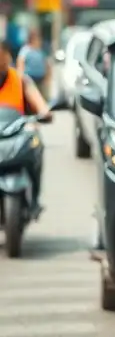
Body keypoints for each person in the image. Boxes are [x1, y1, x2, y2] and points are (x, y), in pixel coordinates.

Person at [0, 40, 51, 215]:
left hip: (16, 132)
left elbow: (37, 99)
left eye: (2, 55)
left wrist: (44, 112)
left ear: (8, 56)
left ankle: (34, 197)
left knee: (37, 145)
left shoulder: (20, 80)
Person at [16, 29, 48, 98]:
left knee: (40, 96)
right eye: (36, 39)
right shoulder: (25, 49)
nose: (39, 41)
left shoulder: (40, 51)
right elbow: (20, 62)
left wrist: (47, 76)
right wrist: (20, 75)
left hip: (40, 78)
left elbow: (45, 64)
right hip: (29, 78)